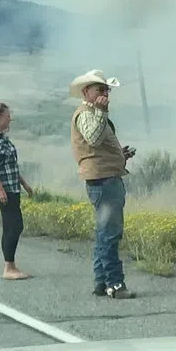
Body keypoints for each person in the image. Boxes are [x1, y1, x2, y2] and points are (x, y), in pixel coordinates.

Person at [69, 68, 136, 298]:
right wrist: (101, 111)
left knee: (103, 232)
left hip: (103, 177)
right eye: (100, 89)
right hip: (103, 180)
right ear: (86, 91)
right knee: (110, 234)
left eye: (107, 90)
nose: (105, 94)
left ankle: (101, 281)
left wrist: (119, 156)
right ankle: (115, 284)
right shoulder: (88, 113)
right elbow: (94, 138)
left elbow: (95, 146)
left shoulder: (90, 112)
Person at [0, 98, 33, 280]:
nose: (10, 119)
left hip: (12, 187)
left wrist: (24, 184)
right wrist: (0, 189)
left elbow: (11, 166)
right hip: (3, 189)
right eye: (8, 116)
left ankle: (11, 266)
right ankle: (8, 268)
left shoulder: (3, 138)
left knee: (12, 225)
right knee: (14, 225)